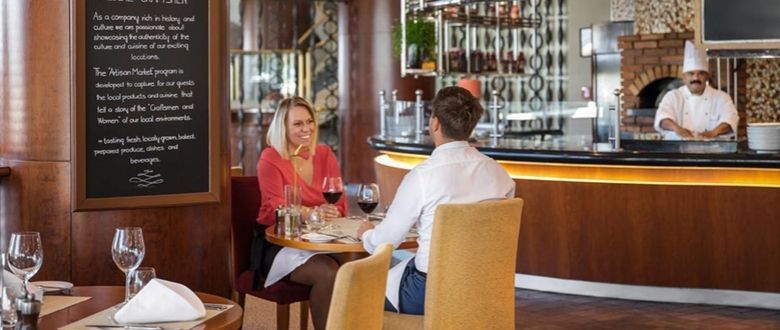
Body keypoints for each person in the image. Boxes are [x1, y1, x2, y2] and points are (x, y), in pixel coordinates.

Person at [357, 86, 515, 315]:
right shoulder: (499, 174)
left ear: (435, 124)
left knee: (354, 287)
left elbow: (386, 241)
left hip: (432, 291)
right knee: (401, 263)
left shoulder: (423, 176)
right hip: (485, 288)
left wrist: (367, 235)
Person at [255, 96, 347, 330]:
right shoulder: (271, 157)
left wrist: (331, 211)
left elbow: (341, 203)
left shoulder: (325, 154)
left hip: (323, 240)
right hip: (279, 243)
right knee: (327, 273)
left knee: (359, 263)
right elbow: (277, 206)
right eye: (297, 124)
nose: (306, 128)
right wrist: (311, 213)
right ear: (282, 127)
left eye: (309, 121)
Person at [654, 40, 739, 140]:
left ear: (707, 76)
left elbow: (731, 119)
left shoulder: (721, 97)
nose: (696, 78)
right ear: (684, 77)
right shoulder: (673, 96)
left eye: (701, 73)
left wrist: (712, 133)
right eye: (691, 73)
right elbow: (662, 118)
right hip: (679, 151)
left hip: (712, 153)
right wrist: (677, 129)